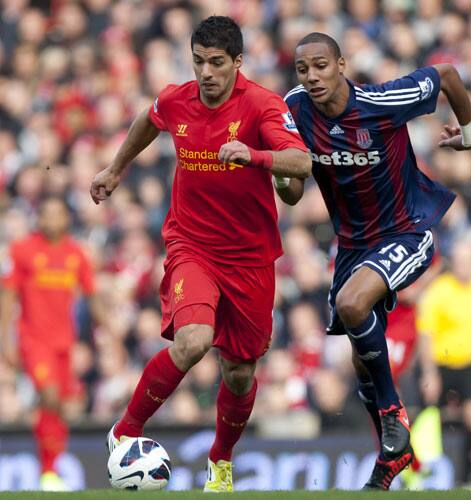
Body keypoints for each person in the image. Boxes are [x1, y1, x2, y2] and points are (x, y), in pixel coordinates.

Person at [90, 16, 310, 492]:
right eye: (198, 62)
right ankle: (125, 430)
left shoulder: (261, 106)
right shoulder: (176, 99)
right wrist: (115, 168)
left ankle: (221, 460)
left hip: (250, 257)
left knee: (238, 372)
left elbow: (302, 162)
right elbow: (148, 121)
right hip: (191, 245)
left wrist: (254, 156)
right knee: (192, 341)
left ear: (237, 62)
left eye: (215, 63)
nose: (206, 73)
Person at [280, 32, 471, 490]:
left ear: (342, 64)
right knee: (359, 361)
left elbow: (447, 74)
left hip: (407, 232)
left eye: (321, 66)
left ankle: (394, 418)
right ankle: (393, 456)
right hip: (352, 247)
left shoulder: (384, 102)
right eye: (303, 69)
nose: (312, 77)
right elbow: (292, 193)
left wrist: (470, 135)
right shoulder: (293, 108)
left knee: (352, 306)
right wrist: (280, 175)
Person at [0, 197, 103, 491]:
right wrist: (5, 340)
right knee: (50, 395)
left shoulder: (76, 254)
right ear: (39, 219)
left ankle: (52, 469)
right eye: (46, 214)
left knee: (60, 406)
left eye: (58, 214)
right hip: (33, 340)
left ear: (66, 219)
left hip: (64, 343)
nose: (52, 220)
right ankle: (47, 472)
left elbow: (92, 297)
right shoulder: (22, 251)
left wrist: (109, 333)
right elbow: (7, 296)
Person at [417, 238, 471, 486]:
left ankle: (470, 474)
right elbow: (426, 335)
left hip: (468, 364)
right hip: (441, 364)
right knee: (430, 415)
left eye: (468, 262)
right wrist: (429, 373)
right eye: (459, 262)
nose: (463, 266)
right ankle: (423, 471)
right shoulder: (439, 291)